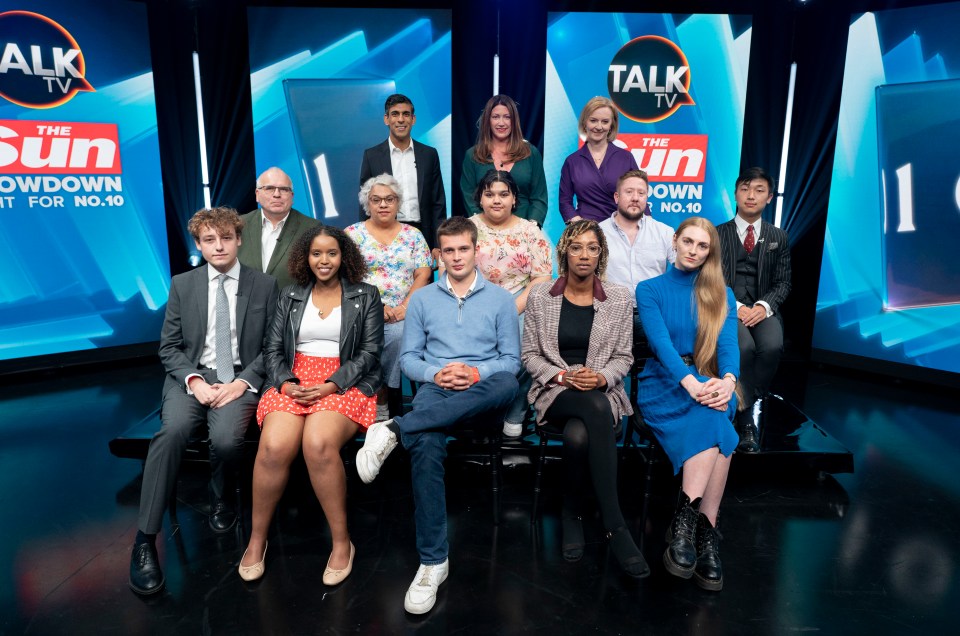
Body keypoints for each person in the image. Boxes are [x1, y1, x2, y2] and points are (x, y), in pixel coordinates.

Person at [354, 216, 520, 615]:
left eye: (464, 249)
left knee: (506, 384)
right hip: (436, 390)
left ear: (475, 250)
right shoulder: (424, 299)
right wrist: (436, 372)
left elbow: (511, 362)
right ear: (438, 255)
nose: (457, 256)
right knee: (426, 444)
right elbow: (409, 359)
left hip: (483, 395)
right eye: (449, 250)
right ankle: (433, 563)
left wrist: (477, 372)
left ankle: (394, 428)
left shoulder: (499, 299)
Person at [129, 207, 279, 596]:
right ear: (199, 244)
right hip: (191, 378)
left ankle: (221, 495)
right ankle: (145, 539)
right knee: (172, 433)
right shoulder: (183, 284)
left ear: (239, 239)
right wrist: (194, 381)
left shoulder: (263, 284)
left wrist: (243, 382)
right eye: (209, 239)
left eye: (226, 237)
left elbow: (273, 347)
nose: (219, 246)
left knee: (228, 440)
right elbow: (170, 347)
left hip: (240, 379)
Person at [237, 225, 383, 586]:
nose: (324, 260)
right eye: (316, 253)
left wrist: (331, 385)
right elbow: (272, 350)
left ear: (343, 256)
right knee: (273, 447)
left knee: (317, 444)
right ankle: (257, 540)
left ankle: (341, 542)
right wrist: (286, 383)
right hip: (295, 380)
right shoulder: (290, 295)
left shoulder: (366, 295)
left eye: (331, 253)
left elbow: (369, 353)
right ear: (306, 257)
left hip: (343, 380)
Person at [522, 220, 649, 578]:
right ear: (564, 252)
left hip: (601, 390)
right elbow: (530, 355)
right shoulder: (540, 295)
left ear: (601, 254)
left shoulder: (619, 297)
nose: (584, 255)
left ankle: (571, 512)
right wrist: (564, 376)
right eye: (576, 247)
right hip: (555, 391)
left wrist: (602, 377)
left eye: (592, 248)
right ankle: (616, 526)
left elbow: (624, 357)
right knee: (591, 408)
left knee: (580, 433)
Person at [635, 217, 740, 592]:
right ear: (675, 241)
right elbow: (661, 344)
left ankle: (688, 523)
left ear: (710, 252)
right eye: (688, 242)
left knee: (716, 411)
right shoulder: (649, 289)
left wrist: (728, 382)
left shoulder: (721, 293)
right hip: (665, 382)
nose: (694, 251)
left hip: (709, 379)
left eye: (702, 246)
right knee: (719, 426)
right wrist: (690, 383)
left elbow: (728, 345)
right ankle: (706, 532)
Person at [468, 169, 552, 437]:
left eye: (504, 194)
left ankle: (515, 413)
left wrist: (512, 309)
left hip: (520, 302)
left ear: (514, 198)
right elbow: (452, 271)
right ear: (479, 198)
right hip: (474, 302)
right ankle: (479, 411)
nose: (496, 200)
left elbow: (541, 277)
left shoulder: (530, 231)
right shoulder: (467, 229)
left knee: (525, 340)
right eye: (489, 194)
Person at [716, 167, 791, 454]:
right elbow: (710, 280)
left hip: (763, 310)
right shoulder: (716, 233)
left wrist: (762, 306)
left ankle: (745, 399)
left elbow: (784, 282)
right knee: (743, 348)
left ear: (770, 197)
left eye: (759, 190)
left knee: (771, 347)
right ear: (735, 194)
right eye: (745, 188)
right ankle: (746, 421)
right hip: (727, 307)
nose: (751, 195)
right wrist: (736, 307)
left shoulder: (778, 237)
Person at [346, 174, 432, 421]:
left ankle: (384, 396)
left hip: (405, 310)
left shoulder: (413, 235)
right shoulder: (351, 235)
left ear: (398, 203)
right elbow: (346, 277)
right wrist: (377, 307)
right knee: (371, 336)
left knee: (400, 334)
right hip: (361, 308)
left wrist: (406, 306)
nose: (383, 204)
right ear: (367, 204)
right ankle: (379, 397)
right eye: (376, 200)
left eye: (389, 199)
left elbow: (423, 273)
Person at [358, 94, 446, 257]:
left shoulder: (429, 154)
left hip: (423, 233)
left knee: (423, 282)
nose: (400, 119)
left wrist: (437, 243)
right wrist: (367, 241)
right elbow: (365, 204)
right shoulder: (372, 156)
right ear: (386, 119)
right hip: (384, 234)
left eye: (406, 114)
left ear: (413, 119)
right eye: (395, 114)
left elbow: (438, 203)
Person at [460, 95, 547, 226]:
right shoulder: (472, 155)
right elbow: (469, 197)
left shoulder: (531, 153)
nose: (501, 123)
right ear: (487, 120)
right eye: (495, 117)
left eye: (507, 117)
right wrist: (482, 226)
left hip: (524, 231)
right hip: (484, 231)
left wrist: (531, 227)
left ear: (514, 121)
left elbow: (539, 197)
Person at [559, 96, 639, 223]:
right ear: (585, 122)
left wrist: (647, 223)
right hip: (585, 232)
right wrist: (580, 225)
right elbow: (564, 202)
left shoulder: (626, 158)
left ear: (612, 125)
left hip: (620, 229)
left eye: (605, 122)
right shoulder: (572, 161)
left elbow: (638, 194)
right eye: (593, 120)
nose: (599, 126)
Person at [238, 166, 319, 290]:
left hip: (291, 305)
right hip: (245, 304)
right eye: (269, 188)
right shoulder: (238, 225)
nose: (277, 194)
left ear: (292, 196)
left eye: (284, 189)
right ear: (257, 194)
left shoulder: (312, 228)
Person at [599, 169, 675, 293]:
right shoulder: (598, 233)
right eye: (629, 192)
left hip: (654, 309)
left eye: (641, 193)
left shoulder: (665, 232)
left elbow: (683, 268)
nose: (635, 198)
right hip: (611, 310)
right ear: (617, 197)